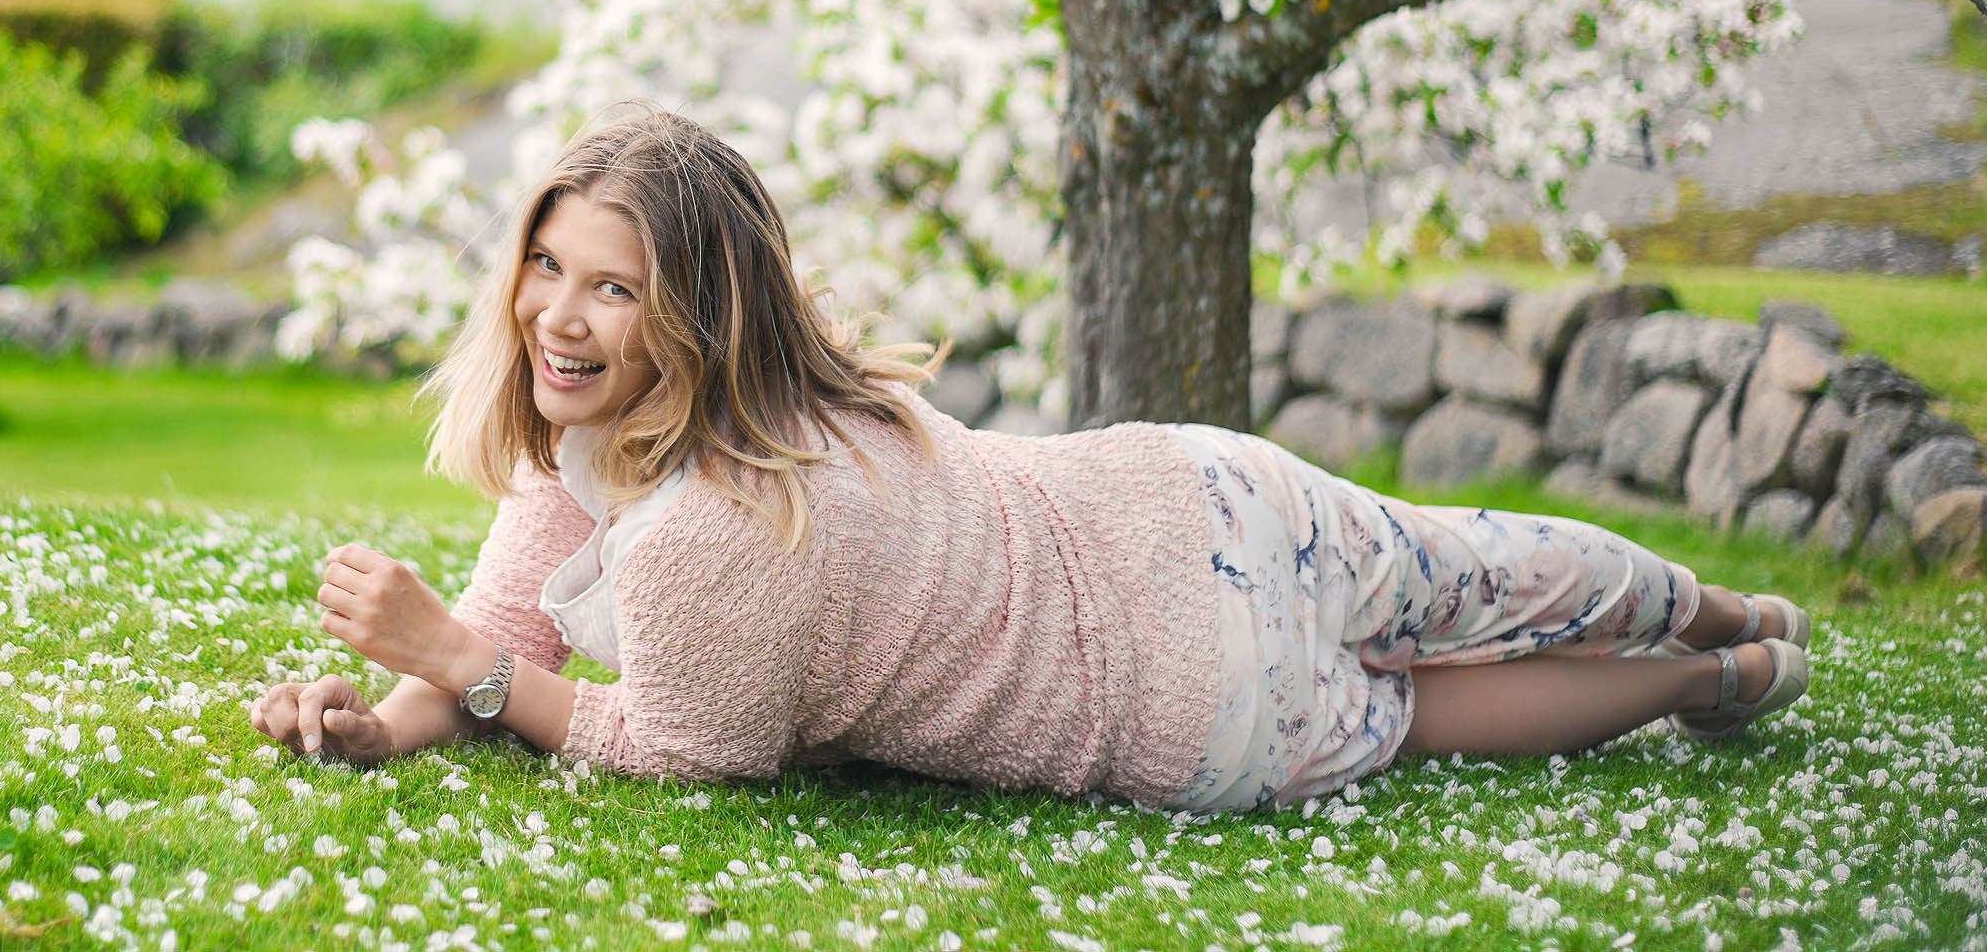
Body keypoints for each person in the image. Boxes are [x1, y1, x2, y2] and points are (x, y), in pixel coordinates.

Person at [249, 106, 1810, 811]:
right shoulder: (752, 417)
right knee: (1475, 563)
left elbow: (682, 746)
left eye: (614, 284)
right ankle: (1713, 625)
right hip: (1192, 493)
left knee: (1423, 724)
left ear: (697, 314)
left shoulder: (714, 531)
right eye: (547, 268)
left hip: (1185, 700)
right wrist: (389, 722)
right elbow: (514, 632)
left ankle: (1705, 679)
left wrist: (448, 665)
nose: (560, 317)